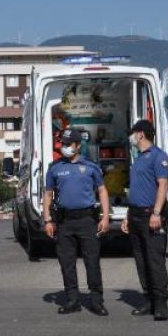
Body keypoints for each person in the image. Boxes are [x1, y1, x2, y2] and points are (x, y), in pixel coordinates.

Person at [43, 129, 110, 316]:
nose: (64, 148)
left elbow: (102, 191)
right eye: (62, 144)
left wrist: (105, 217)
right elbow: (48, 194)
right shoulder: (54, 167)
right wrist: (47, 219)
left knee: (92, 261)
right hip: (64, 221)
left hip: (87, 220)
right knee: (67, 262)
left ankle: (97, 300)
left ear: (78, 145)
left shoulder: (91, 166)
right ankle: (72, 300)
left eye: (67, 144)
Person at [121, 120, 168, 321]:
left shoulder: (158, 156)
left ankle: (161, 303)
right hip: (135, 215)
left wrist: (156, 213)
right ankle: (148, 299)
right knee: (141, 260)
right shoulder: (139, 158)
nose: (131, 136)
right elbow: (137, 190)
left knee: (154, 260)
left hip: (151, 215)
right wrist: (127, 216)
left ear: (140, 134)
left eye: (132, 132)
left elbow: (163, 185)